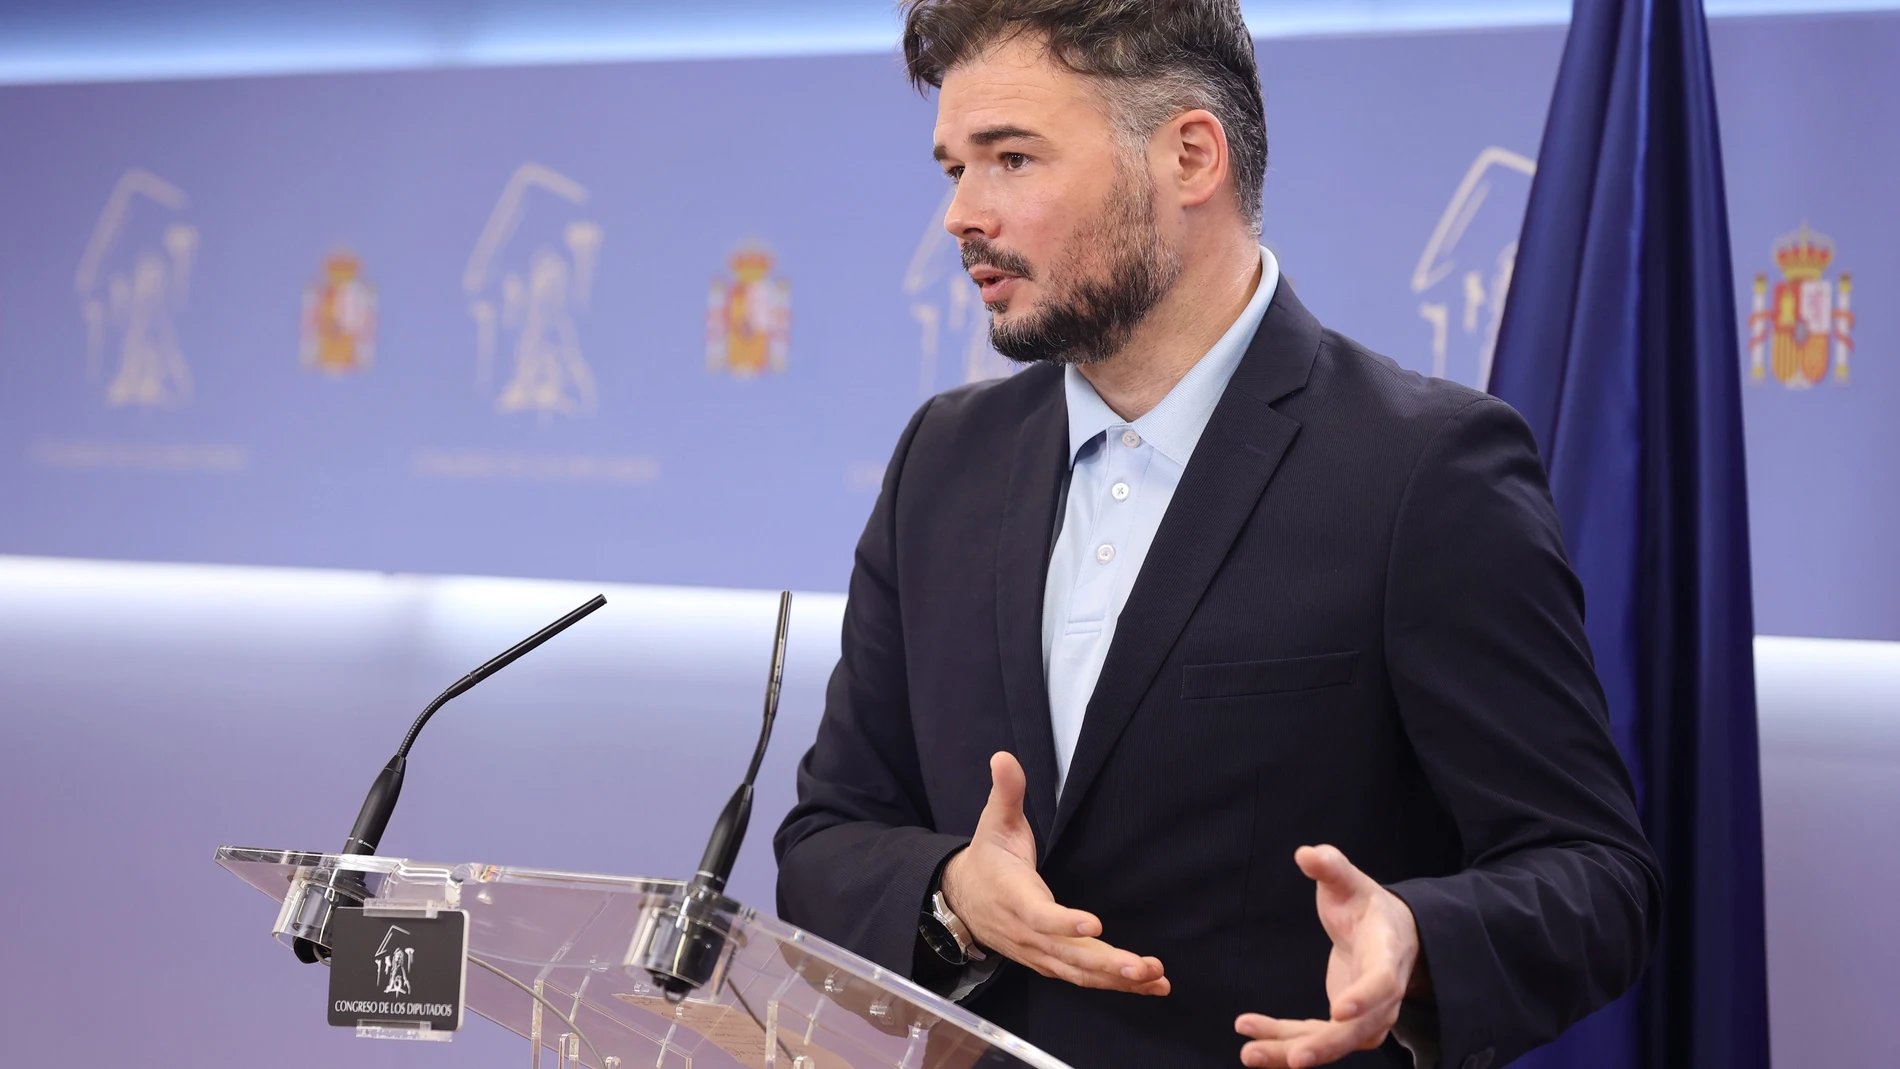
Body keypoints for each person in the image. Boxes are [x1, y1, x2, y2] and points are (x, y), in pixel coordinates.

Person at [773, 2, 1661, 1066]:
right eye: (953, 168)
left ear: (1191, 156)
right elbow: (827, 838)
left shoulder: (1424, 469)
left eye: (1010, 158)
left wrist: (1416, 940)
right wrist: (952, 892)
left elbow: (1593, 876)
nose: (961, 214)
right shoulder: (943, 461)